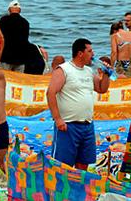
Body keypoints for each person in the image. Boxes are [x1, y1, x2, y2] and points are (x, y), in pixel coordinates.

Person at [47, 38, 111, 170]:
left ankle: (79, 190)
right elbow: (50, 93)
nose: (93, 54)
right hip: (68, 125)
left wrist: (106, 75)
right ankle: (61, 190)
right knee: (63, 165)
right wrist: (58, 119)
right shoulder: (64, 70)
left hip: (87, 125)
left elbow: (101, 89)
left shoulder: (88, 71)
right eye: (90, 51)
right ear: (80, 53)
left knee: (83, 163)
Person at [0, 0, 30, 72]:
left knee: (5, 79)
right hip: (21, 57)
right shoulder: (25, 22)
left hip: (6, 57)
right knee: (19, 81)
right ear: (20, 10)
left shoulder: (4, 20)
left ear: (9, 10)